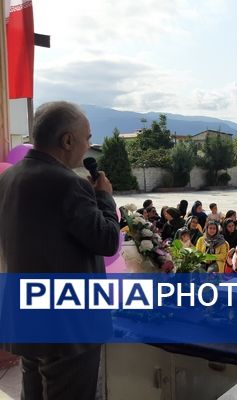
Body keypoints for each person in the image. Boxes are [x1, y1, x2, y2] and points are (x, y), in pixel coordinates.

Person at [0, 101, 120, 400]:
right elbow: (106, 241)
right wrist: (104, 198)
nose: (88, 146)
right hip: (68, 328)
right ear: (67, 140)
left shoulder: (8, 179)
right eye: (87, 137)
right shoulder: (68, 184)